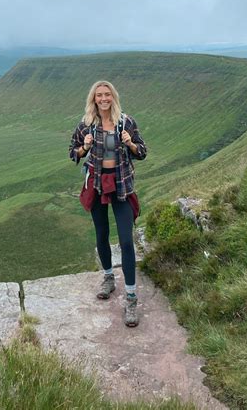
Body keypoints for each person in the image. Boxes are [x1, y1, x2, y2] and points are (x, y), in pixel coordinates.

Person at [69, 80, 147, 327]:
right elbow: (73, 153)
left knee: (126, 239)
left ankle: (131, 297)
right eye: (99, 95)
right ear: (93, 99)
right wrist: (85, 146)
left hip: (121, 183)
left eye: (107, 94)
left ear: (113, 97)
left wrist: (130, 143)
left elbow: (142, 152)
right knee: (101, 234)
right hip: (97, 184)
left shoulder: (126, 122)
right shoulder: (86, 125)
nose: (104, 98)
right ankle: (108, 278)